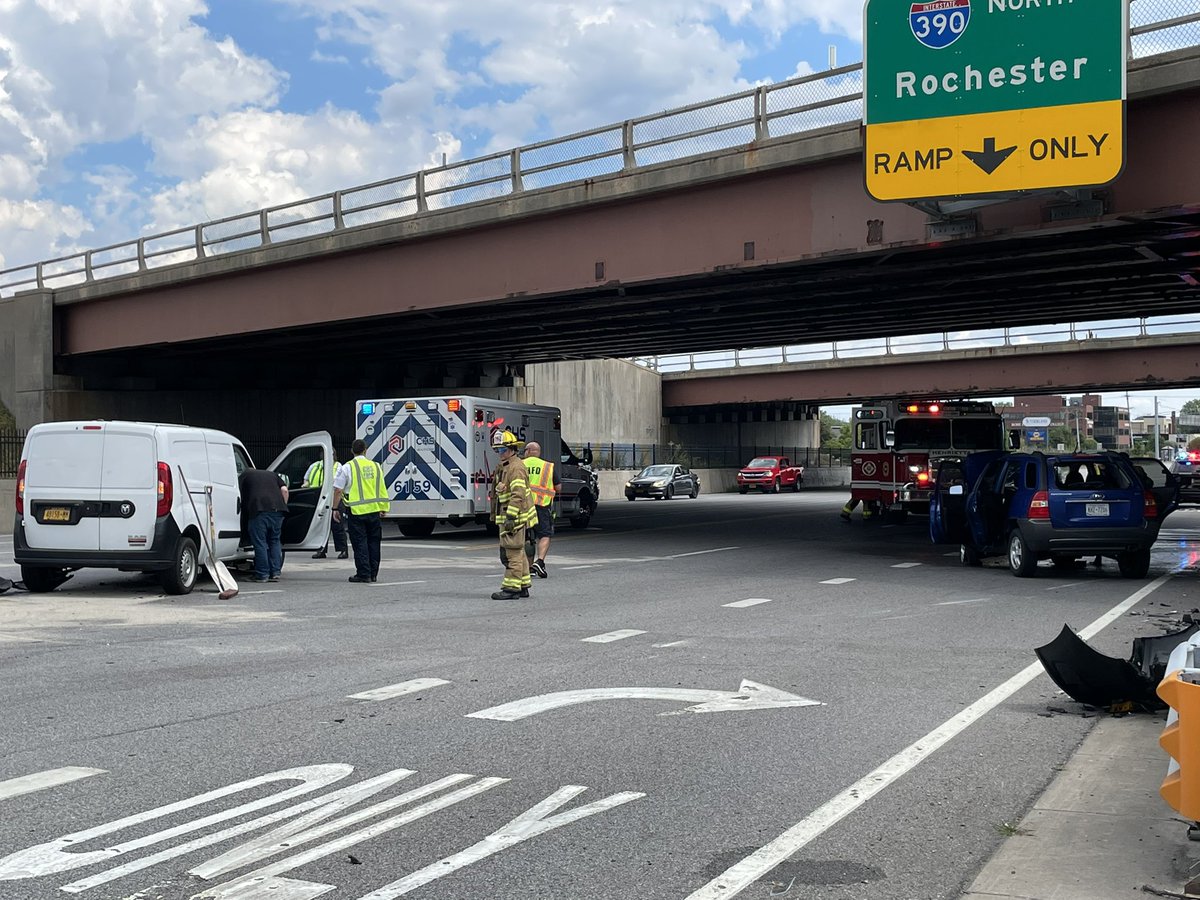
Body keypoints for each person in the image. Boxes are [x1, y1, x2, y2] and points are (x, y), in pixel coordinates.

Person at [331, 439, 388, 583]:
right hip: (374, 511)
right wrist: (383, 507)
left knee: (360, 542)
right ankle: (373, 573)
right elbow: (381, 487)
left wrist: (335, 508)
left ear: (352, 451)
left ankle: (364, 574)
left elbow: (338, 489)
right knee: (374, 542)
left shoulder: (347, 467)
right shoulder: (376, 466)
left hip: (356, 511)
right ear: (365, 450)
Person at [490, 430, 537, 600]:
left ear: (511, 449)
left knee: (512, 553)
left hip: (514, 518)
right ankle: (523, 585)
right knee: (519, 552)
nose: (499, 454)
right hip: (512, 517)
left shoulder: (515, 468)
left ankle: (511, 589)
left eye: (502, 450)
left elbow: (518, 495)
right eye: (497, 450)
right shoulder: (507, 466)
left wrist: (510, 517)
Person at [239, 464, 289, 583]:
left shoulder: (245, 475)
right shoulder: (272, 474)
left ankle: (262, 574)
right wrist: (283, 505)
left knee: (260, 542)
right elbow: (285, 490)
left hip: (259, 510)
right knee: (274, 540)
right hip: (278, 511)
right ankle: (275, 572)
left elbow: (238, 493)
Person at [523, 441, 561, 578]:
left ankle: (529, 567)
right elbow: (558, 488)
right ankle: (540, 561)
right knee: (545, 534)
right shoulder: (547, 466)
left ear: (527, 451)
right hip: (542, 506)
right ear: (538, 452)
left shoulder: (520, 465)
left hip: (524, 506)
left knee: (528, 537)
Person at [305, 452, 348, 560]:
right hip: (320, 500)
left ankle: (343, 550)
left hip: (335, 500)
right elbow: (306, 480)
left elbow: (340, 486)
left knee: (337, 526)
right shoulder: (315, 466)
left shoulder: (339, 467)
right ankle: (321, 550)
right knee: (320, 526)